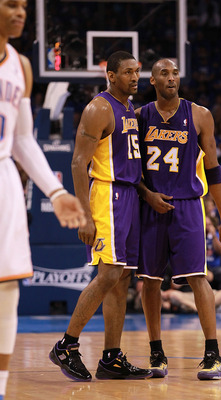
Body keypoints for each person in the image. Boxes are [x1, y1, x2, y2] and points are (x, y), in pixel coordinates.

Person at [0, 1, 86, 399]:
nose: (20, 12)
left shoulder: (21, 65)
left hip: (4, 177)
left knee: (8, 286)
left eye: (22, 6)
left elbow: (21, 139)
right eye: (10, 5)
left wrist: (56, 191)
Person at [49, 51, 152, 381]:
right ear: (111, 75)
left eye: (137, 72)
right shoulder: (99, 107)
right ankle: (67, 345)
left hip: (128, 196)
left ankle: (111, 357)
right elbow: (79, 163)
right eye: (127, 72)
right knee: (108, 275)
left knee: (121, 280)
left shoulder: (128, 108)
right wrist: (85, 215)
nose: (135, 77)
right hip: (107, 195)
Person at [136, 58, 221, 380]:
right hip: (150, 207)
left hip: (188, 206)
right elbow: (129, 170)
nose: (171, 78)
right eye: (164, 73)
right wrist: (147, 194)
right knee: (149, 281)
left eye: (175, 73)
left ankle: (213, 354)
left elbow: (214, 169)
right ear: (152, 80)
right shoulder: (139, 117)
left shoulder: (200, 115)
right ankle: (156, 353)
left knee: (197, 278)